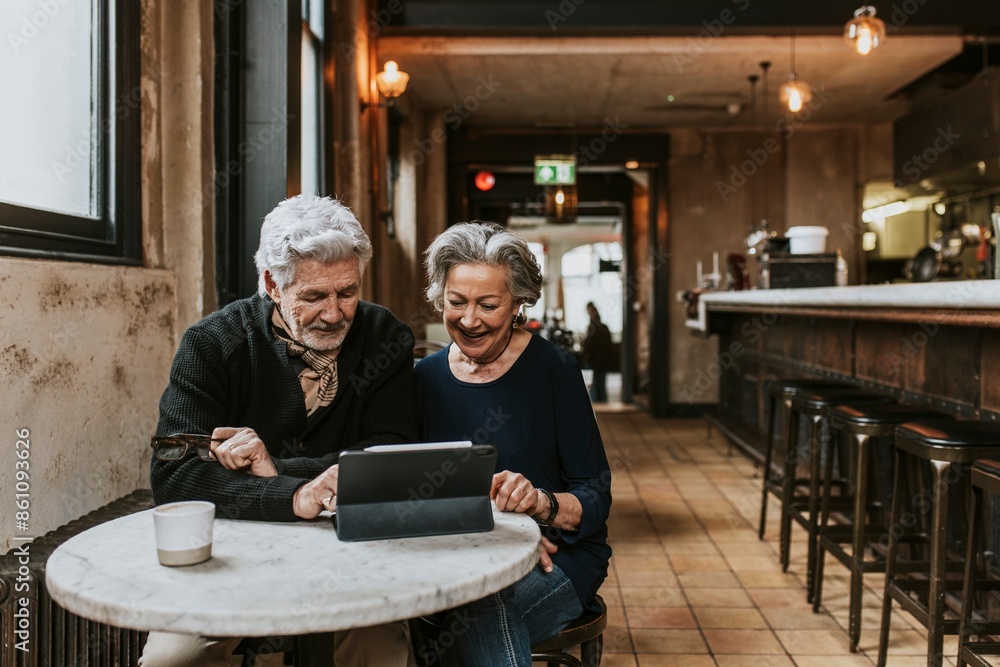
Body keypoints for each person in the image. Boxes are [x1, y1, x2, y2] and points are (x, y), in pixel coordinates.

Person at [142, 195, 418, 667]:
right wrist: (292, 497)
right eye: (313, 296)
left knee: (380, 652)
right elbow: (174, 478)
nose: (335, 314)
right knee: (175, 660)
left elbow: (390, 455)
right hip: (237, 551)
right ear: (272, 283)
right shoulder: (211, 344)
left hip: (355, 549)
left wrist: (276, 469)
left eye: (347, 292)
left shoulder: (384, 335)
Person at [412, 222, 612, 666]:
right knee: (470, 596)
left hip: (556, 559)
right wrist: (498, 539)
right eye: (456, 302)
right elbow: (411, 487)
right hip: (459, 555)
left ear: (518, 303)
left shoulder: (554, 370)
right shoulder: (423, 379)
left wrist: (540, 506)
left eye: (488, 305)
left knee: (476, 607)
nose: (468, 320)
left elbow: (595, 496)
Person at [581, 301, 614, 403]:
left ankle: (596, 407)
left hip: (592, 361)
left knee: (593, 386)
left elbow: (587, 345)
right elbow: (610, 346)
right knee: (602, 385)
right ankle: (604, 404)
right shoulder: (605, 328)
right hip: (603, 361)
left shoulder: (591, 328)